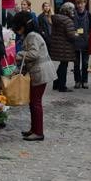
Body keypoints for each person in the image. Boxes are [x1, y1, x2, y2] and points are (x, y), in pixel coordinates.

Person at [13, 11, 56, 142]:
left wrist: (18, 55)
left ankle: (38, 132)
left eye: (17, 27)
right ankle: (34, 129)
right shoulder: (30, 35)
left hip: (40, 72)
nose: (16, 31)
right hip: (38, 71)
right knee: (33, 102)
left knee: (36, 103)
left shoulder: (32, 36)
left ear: (23, 26)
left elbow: (34, 54)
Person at [49, 2, 76, 92]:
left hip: (57, 46)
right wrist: (77, 35)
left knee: (62, 65)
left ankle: (56, 84)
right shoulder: (68, 20)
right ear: (68, 11)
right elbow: (71, 35)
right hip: (65, 47)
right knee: (64, 66)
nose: (73, 11)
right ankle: (62, 86)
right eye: (72, 9)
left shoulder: (56, 18)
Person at [71, 0, 91, 89]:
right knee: (76, 64)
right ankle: (77, 81)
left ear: (85, 4)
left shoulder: (89, 15)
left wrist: (89, 37)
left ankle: (85, 81)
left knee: (85, 63)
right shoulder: (72, 15)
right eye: (78, 3)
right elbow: (70, 27)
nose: (80, 5)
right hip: (75, 42)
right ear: (76, 5)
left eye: (82, 3)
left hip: (86, 42)